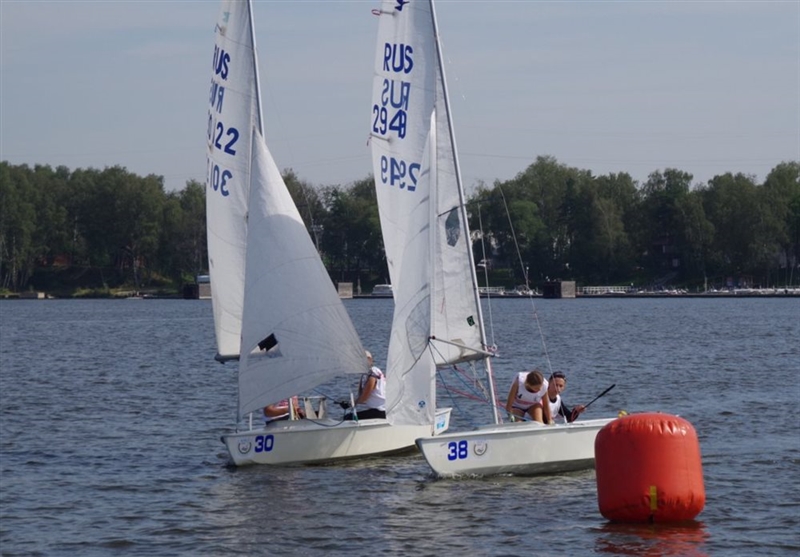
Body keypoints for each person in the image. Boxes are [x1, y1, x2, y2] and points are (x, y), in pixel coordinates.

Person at [342, 351, 386, 420]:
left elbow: (364, 398)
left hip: (381, 410)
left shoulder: (373, 373)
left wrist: (350, 404)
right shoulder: (366, 374)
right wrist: (349, 403)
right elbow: (361, 397)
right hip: (376, 410)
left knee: (347, 417)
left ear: (370, 360)